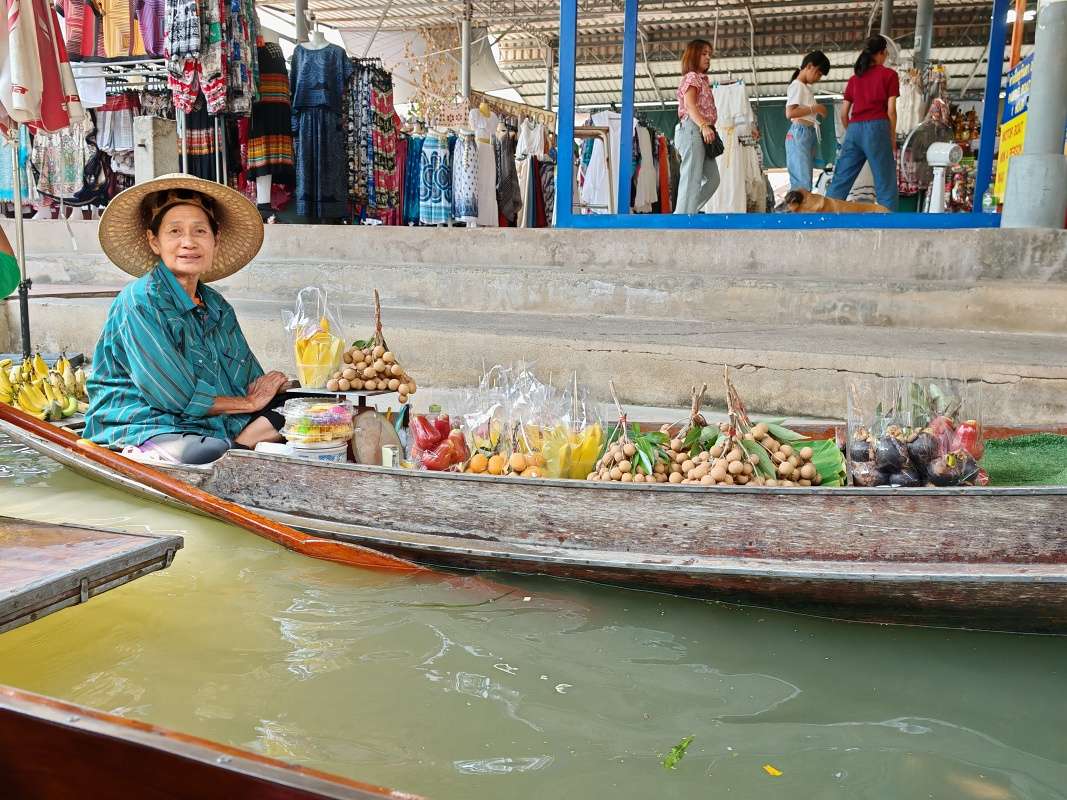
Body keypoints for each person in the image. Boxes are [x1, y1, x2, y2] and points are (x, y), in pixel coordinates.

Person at [84, 174, 290, 464]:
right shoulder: (140, 301)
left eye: (200, 231)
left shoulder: (216, 305)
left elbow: (251, 382)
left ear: (215, 239)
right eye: (175, 232)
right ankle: (235, 450)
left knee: (304, 409)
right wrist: (247, 403)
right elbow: (174, 397)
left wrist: (277, 387)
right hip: (148, 424)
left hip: (215, 423)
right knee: (205, 451)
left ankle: (238, 447)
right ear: (154, 241)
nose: (189, 242)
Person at [826, 35, 899, 211]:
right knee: (885, 181)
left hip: (854, 129)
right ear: (882, 53)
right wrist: (892, 136)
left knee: (841, 179)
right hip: (877, 128)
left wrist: (852, 132)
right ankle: (888, 222)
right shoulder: (890, 75)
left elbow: (844, 113)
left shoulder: (854, 79)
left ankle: (825, 218)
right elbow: (891, 111)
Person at [673, 38, 720, 214]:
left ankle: (686, 212)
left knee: (713, 179)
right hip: (693, 129)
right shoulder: (692, 77)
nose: (708, 57)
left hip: (702, 132)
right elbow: (690, 105)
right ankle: (682, 218)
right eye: (704, 53)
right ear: (693, 55)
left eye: (709, 54)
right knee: (691, 178)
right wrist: (704, 125)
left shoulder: (703, 80)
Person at [784, 51, 831, 192]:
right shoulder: (797, 85)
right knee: (801, 182)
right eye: (818, 73)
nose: (818, 78)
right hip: (800, 132)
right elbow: (790, 113)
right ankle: (799, 206)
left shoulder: (804, 87)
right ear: (809, 66)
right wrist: (815, 108)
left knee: (804, 180)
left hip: (806, 133)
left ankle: (801, 204)